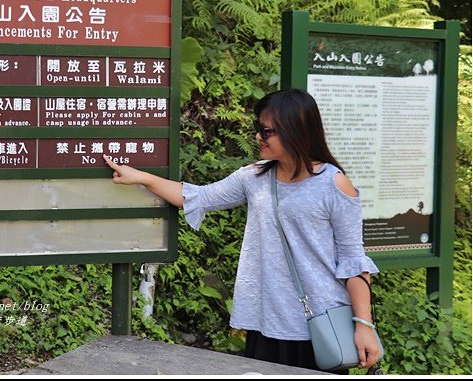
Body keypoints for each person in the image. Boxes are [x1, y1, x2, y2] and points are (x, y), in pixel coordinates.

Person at [103, 88, 381, 372]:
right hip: (265, 319)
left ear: (296, 131)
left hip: (320, 323)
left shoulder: (333, 184)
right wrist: (141, 178)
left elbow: (353, 262)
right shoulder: (255, 177)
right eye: (257, 128)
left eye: (267, 130)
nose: (258, 136)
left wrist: (363, 325)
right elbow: (198, 197)